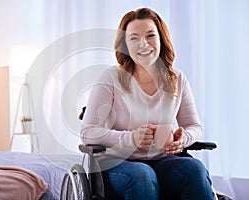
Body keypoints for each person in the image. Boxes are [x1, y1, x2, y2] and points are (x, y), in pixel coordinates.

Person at [80, 7, 214, 200]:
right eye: (134, 38)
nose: (143, 44)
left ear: (161, 39)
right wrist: (131, 138)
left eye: (150, 35)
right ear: (124, 45)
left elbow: (194, 127)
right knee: (143, 175)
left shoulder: (177, 79)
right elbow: (88, 132)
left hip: (162, 160)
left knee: (195, 169)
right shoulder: (110, 78)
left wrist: (183, 139)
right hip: (118, 163)